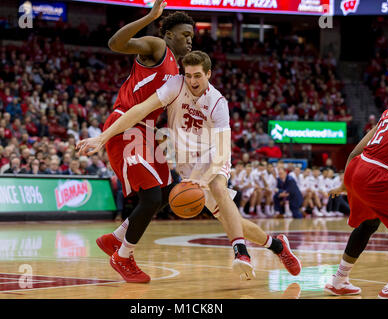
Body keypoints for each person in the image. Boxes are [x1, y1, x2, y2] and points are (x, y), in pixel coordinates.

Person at [77, 50, 301, 283]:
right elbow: (140, 110)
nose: (192, 81)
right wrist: (102, 137)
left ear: (208, 74)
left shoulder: (218, 103)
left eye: (198, 76)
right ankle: (277, 245)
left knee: (217, 187)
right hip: (186, 164)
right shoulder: (175, 85)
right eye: (189, 75)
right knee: (229, 219)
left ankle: (241, 253)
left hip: (213, 155)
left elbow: (223, 149)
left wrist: (205, 178)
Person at [77, 2, 195, 283]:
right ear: (168, 34)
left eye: (192, 35)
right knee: (151, 196)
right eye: (184, 34)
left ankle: (115, 239)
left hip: (148, 131)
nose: (190, 39)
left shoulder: (179, 72)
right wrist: (150, 17)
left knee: (167, 193)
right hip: (125, 127)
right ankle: (123, 257)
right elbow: (115, 43)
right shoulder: (156, 47)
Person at [325, 102, 388, 299]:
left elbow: (355, 151)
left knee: (369, 223)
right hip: (378, 175)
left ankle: (339, 280)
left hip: (357, 167)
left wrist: (345, 184)